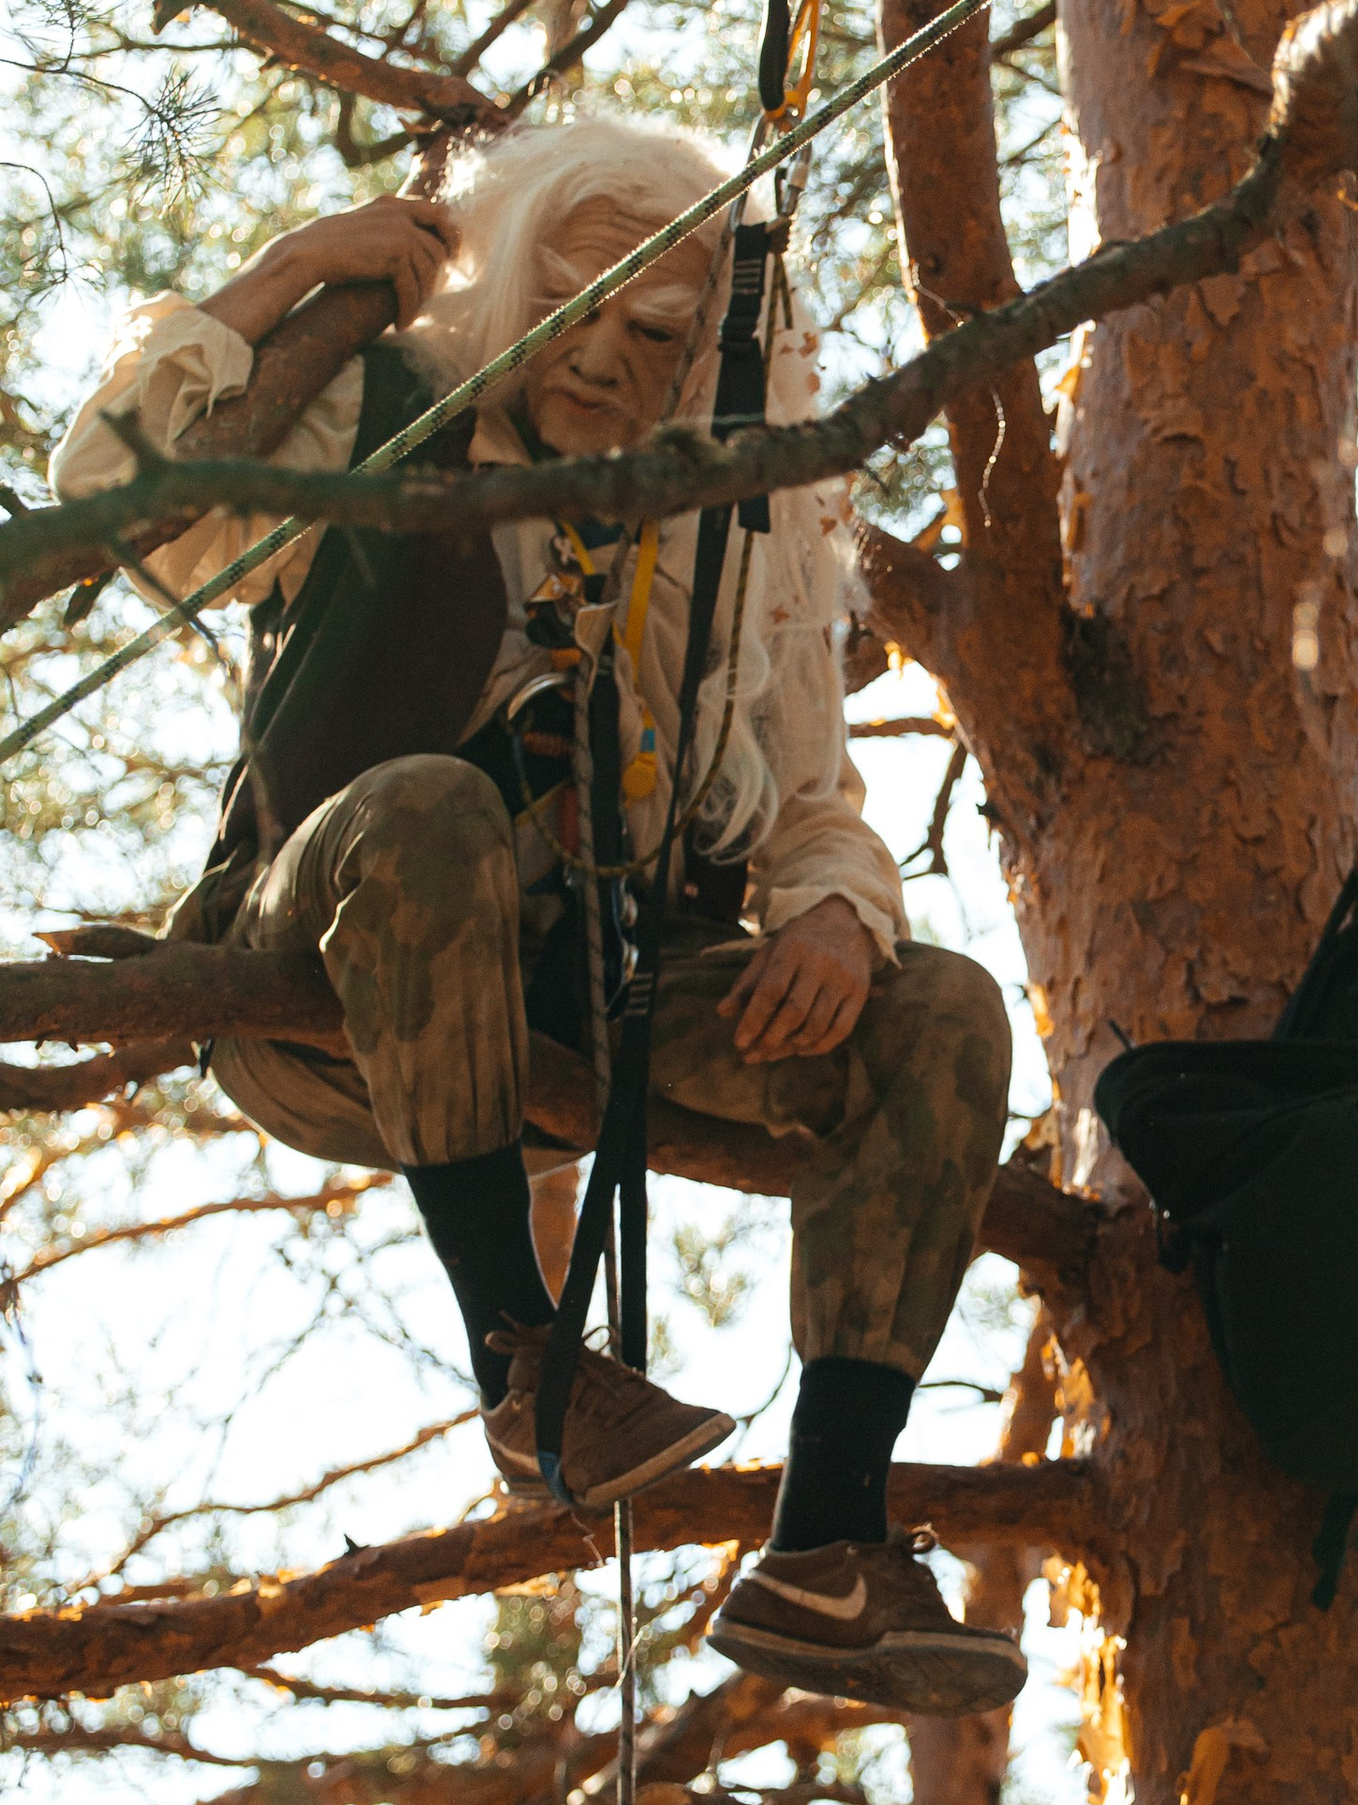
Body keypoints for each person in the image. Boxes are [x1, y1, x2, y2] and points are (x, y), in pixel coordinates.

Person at [52, 117, 1023, 1720]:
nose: (597, 357)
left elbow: (816, 812)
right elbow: (107, 500)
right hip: (322, 986)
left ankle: (830, 1543)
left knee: (943, 1010)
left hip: (590, 1002)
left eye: (650, 332)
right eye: (571, 309)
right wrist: (292, 273)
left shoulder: (744, 542)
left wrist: (839, 922)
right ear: (512, 288)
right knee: (434, 806)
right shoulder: (389, 423)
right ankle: (526, 1362)